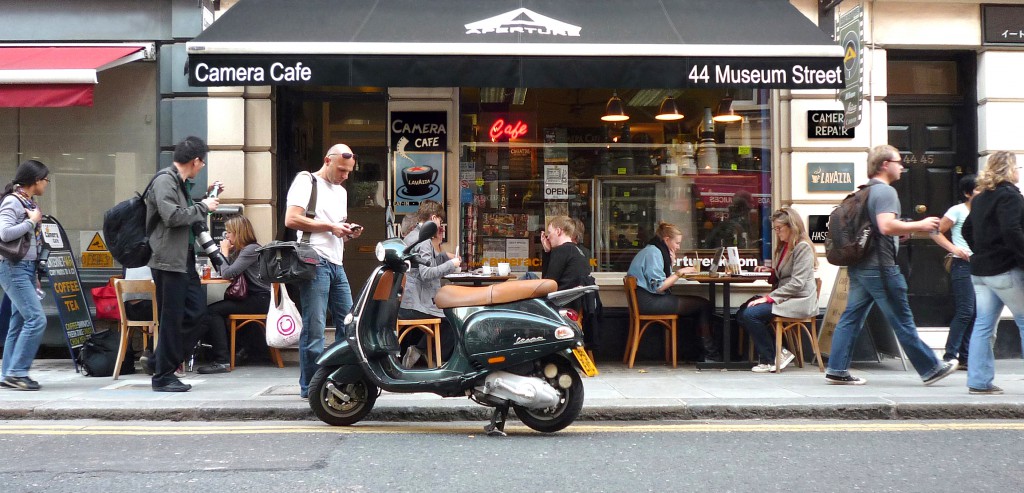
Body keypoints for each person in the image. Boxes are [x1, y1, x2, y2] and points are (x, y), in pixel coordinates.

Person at [825, 145, 958, 385]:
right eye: (899, 162)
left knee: (851, 318)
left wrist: (900, 232)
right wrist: (920, 224)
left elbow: (875, 230)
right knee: (902, 319)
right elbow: (886, 226)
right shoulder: (885, 192)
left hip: (861, 267)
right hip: (881, 268)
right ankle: (931, 368)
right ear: (885, 164)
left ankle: (836, 369)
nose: (902, 167)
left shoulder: (863, 193)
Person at [284, 143, 363, 399]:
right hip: (314, 259)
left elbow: (335, 226)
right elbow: (292, 219)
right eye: (341, 170)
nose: (344, 176)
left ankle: (337, 378)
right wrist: (331, 227)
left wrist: (347, 230)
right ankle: (310, 386)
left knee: (348, 323)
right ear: (327, 161)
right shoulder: (306, 181)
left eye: (349, 172)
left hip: (337, 263)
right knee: (315, 326)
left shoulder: (341, 192)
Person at [145, 136, 220, 392]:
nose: (202, 167)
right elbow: (172, 216)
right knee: (171, 319)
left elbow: (184, 212)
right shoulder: (165, 180)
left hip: (182, 260)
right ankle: (162, 376)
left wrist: (202, 200)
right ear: (196, 161)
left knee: (198, 314)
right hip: (167, 261)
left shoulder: (180, 182)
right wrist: (204, 207)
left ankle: (158, 360)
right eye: (203, 162)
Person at [962, 151, 1024, 395]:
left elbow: (967, 230)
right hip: (1005, 270)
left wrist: (982, 250)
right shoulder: (1010, 196)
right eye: (1017, 166)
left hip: (981, 272)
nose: (1019, 170)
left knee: (984, 325)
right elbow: (1012, 230)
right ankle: (979, 381)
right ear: (1009, 169)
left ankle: (978, 381)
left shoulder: (981, 198)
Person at [737, 208, 817, 373]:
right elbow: (783, 274)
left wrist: (768, 298)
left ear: (792, 227)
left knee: (751, 314)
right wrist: (769, 272)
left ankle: (771, 358)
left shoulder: (803, 248)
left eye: (779, 228)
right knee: (743, 311)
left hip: (798, 300)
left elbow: (797, 283)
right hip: (786, 297)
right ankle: (779, 352)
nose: (777, 232)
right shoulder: (784, 247)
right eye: (775, 228)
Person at [626, 221, 718, 362]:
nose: (679, 247)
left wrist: (672, 264)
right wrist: (679, 273)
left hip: (646, 300)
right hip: (650, 302)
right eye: (677, 243)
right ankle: (710, 354)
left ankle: (704, 353)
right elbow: (658, 287)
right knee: (703, 305)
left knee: (700, 305)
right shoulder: (654, 253)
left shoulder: (654, 249)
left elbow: (659, 280)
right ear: (667, 240)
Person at [194, 216, 272, 374]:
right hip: (253, 297)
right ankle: (230, 352)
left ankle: (222, 360)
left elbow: (227, 273)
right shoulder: (243, 251)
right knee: (214, 310)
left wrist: (223, 251)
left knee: (212, 311)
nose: (226, 236)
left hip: (260, 299)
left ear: (238, 232)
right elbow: (227, 271)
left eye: (229, 232)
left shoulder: (251, 249)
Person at [0, 160, 50, 390]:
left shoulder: (27, 201)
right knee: (36, 318)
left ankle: (8, 373)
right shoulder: (13, 201)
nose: (47, 184)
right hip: (14, 268)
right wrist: (31, 222)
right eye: (46, 180)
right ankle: (18, 372)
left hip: (26, 269)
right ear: (35, 180)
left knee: (18, 322)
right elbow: (5, 233)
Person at [398, 212, 461, 368]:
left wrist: (444, 256)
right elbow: (426, 274)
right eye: (440, 221)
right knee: (453, 319)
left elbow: (426, 265)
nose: (441, 225)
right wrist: (451, 265)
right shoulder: (423, 239)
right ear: (433, 218)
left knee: (447, 316)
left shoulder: (413, 236)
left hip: (409, 302)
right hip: (416, 303)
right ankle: (426, 352)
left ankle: (421, 350)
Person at [929, 174, 977, 370]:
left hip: (981, 264)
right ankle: (950, 355)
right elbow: (935, 231)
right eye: (978, 189)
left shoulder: (984, 210)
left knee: (974, 313)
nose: (983, 192)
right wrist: (954, 249)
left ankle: (965, 357)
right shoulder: (957, 210)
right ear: (967, 193)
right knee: (965, 311)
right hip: (962, 264)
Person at [541, 216, 591, 291]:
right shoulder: (578, 251)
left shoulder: (561, 250)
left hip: (561, 300)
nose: (547, 237)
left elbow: (547, 285)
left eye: (549, 232)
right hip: (573, 299)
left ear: (558, 231)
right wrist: (547, 252)